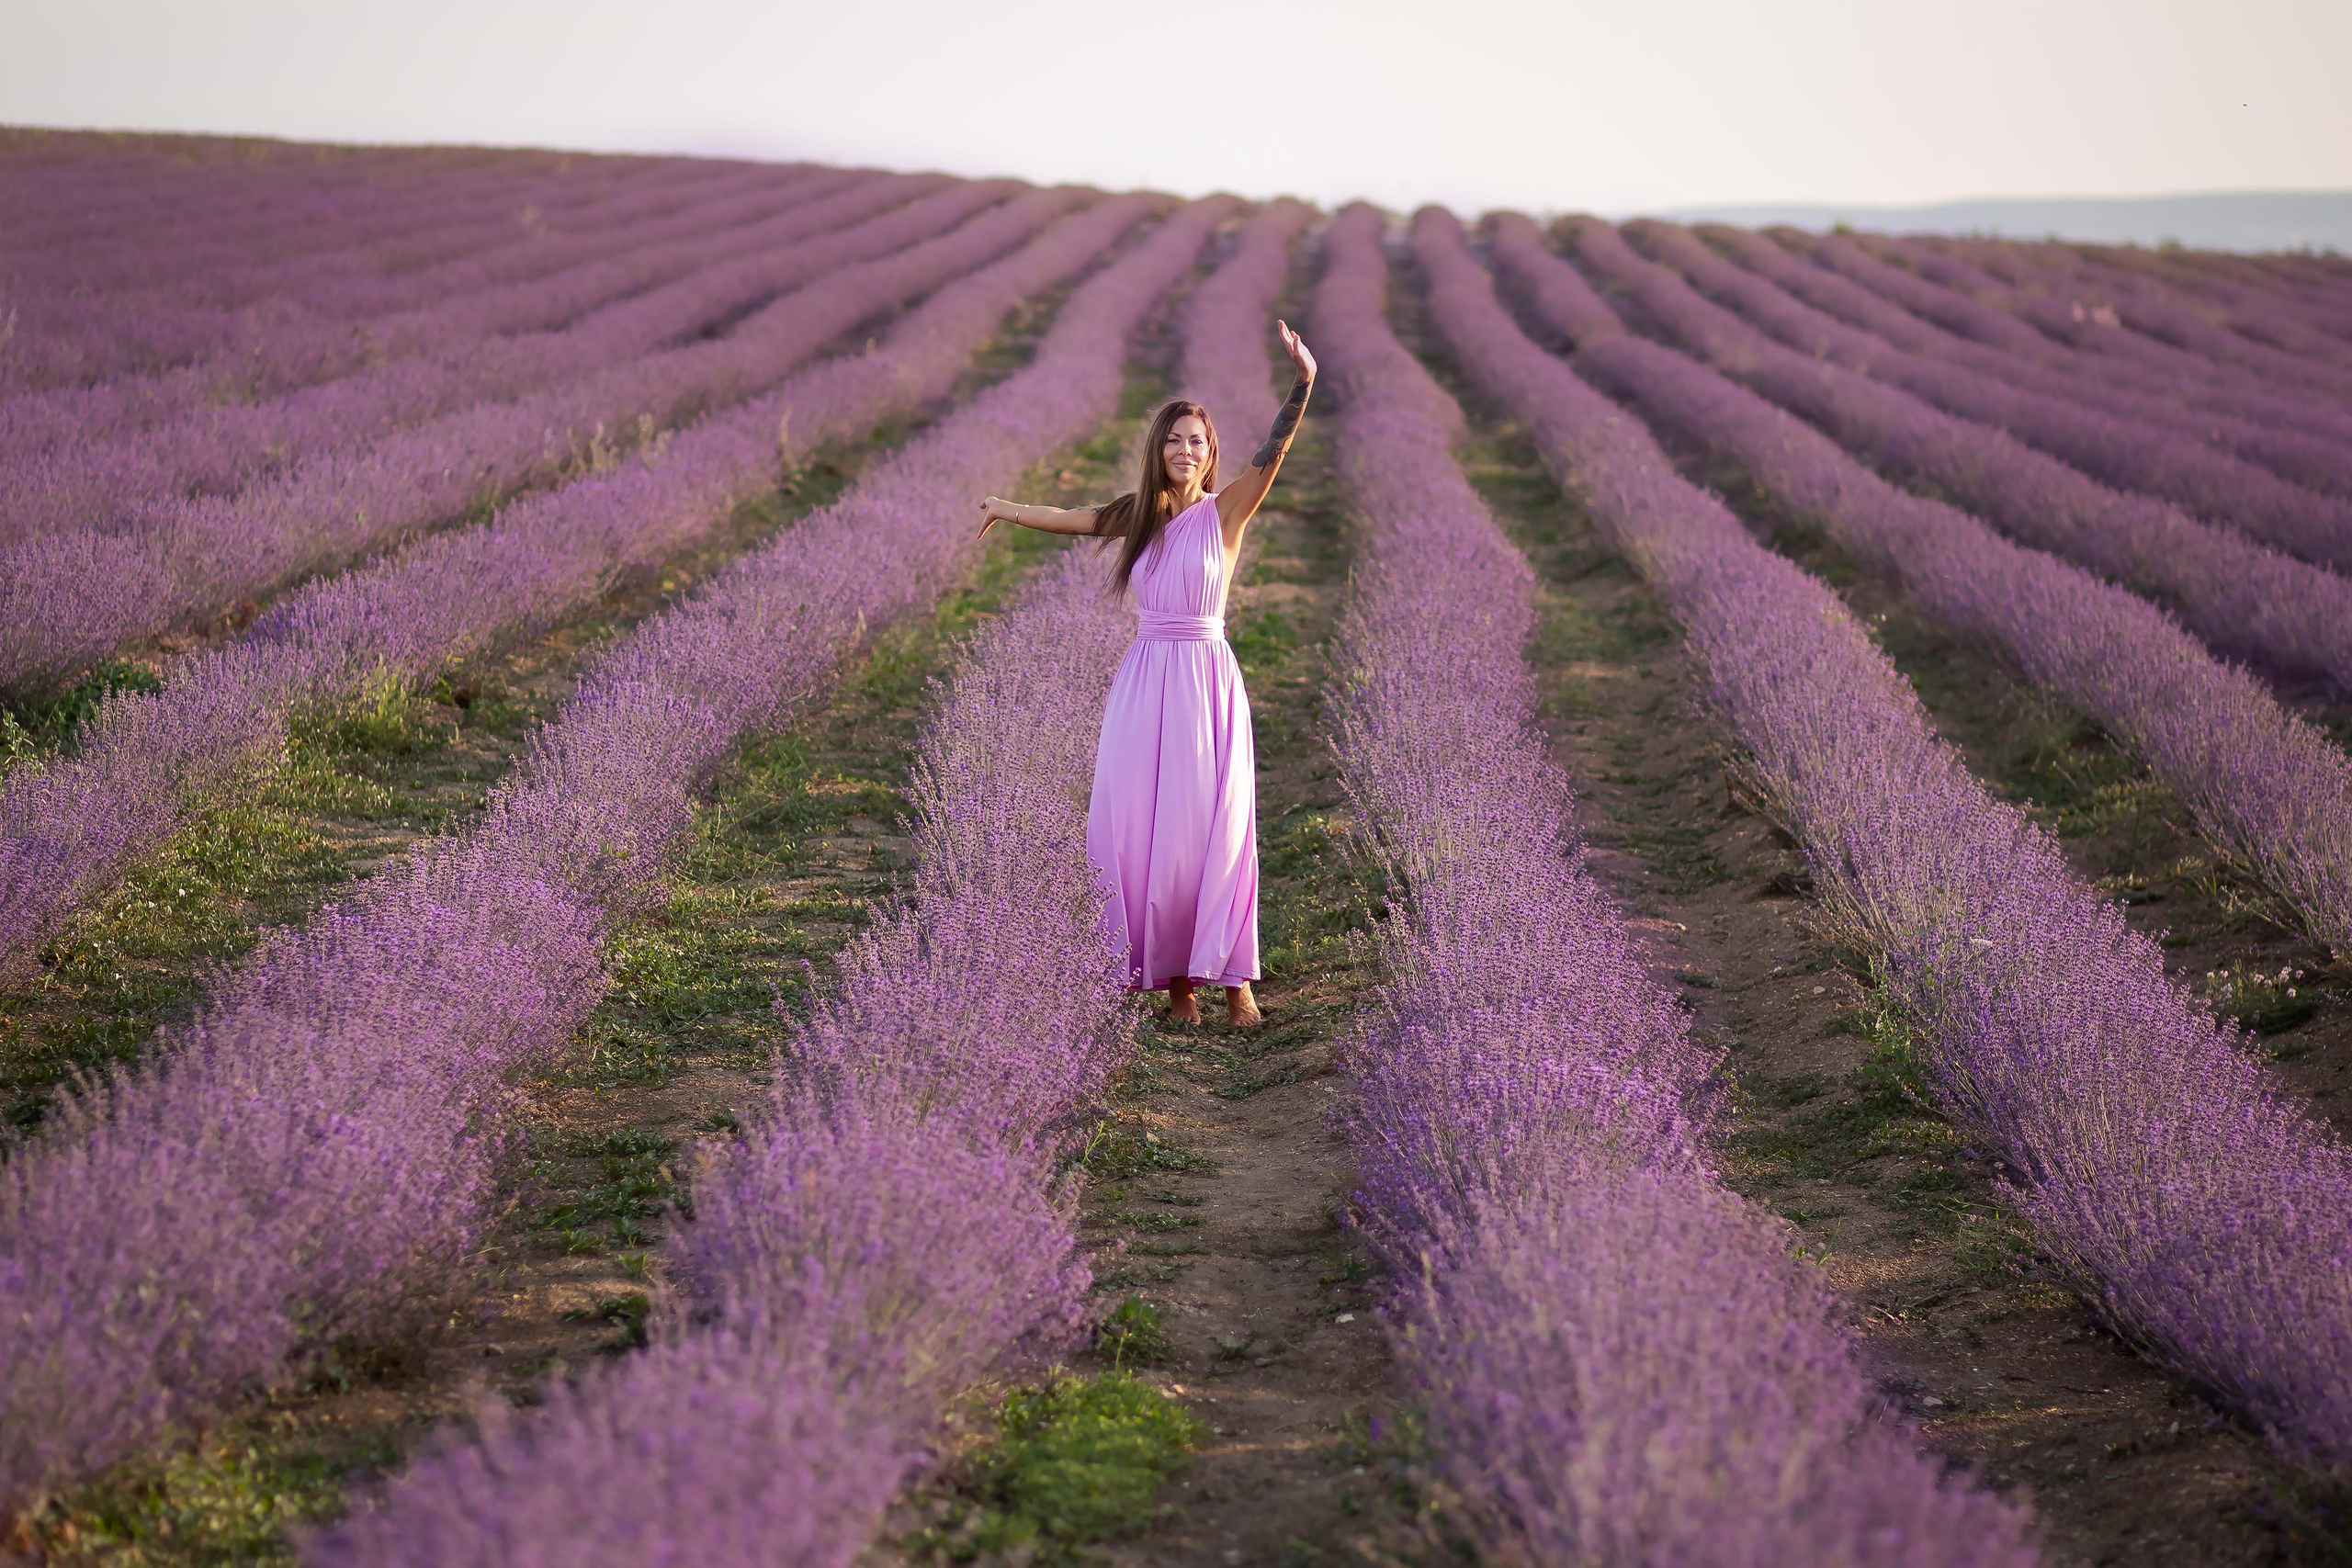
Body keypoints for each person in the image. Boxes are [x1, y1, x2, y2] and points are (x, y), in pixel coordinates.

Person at [977, 321, 1317, 1025]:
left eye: (1196, 439)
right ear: (1157, 451)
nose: (1185, 449)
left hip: (1204, 678)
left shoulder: (1227, 513)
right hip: (1144, 682)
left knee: (1215, 825)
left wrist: (1303, 382)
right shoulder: (1139, 518)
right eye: (1173, 438)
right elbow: (1069, 518)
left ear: (1210, 452)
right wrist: (1004, 510)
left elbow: (1275, 451)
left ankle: (1235, 980)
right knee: (1147, 827)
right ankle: (1175, 983)